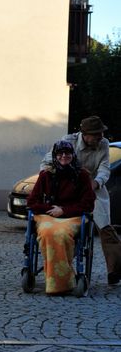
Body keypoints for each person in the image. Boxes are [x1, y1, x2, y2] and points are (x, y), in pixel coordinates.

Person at [41, 116, 121, 286]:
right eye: (96, 134)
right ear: (85, 134)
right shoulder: (67, 142)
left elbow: (105, 167)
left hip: (93, 187)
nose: (100, 136)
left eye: (101, 133)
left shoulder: (104, 143)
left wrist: (96, 182)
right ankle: (63, 263)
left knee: (106, 228)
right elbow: (47, 162)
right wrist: (51, 180)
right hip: (68, 188)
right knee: (69, 223)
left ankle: (114, 271)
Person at [29, 140, 95, 294]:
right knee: (46, 232)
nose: (64, 156)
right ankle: (60, 279)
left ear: (73, 155)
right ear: (54, 156)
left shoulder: (82, 175)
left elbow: (88, 204)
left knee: (61, 233)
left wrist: (64, 210)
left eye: (67, 153)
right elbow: (32, 202)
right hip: (49, 215)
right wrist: (51, 209)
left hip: (73, 215)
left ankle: (59, 282)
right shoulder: (46, 175)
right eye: (60, 153)